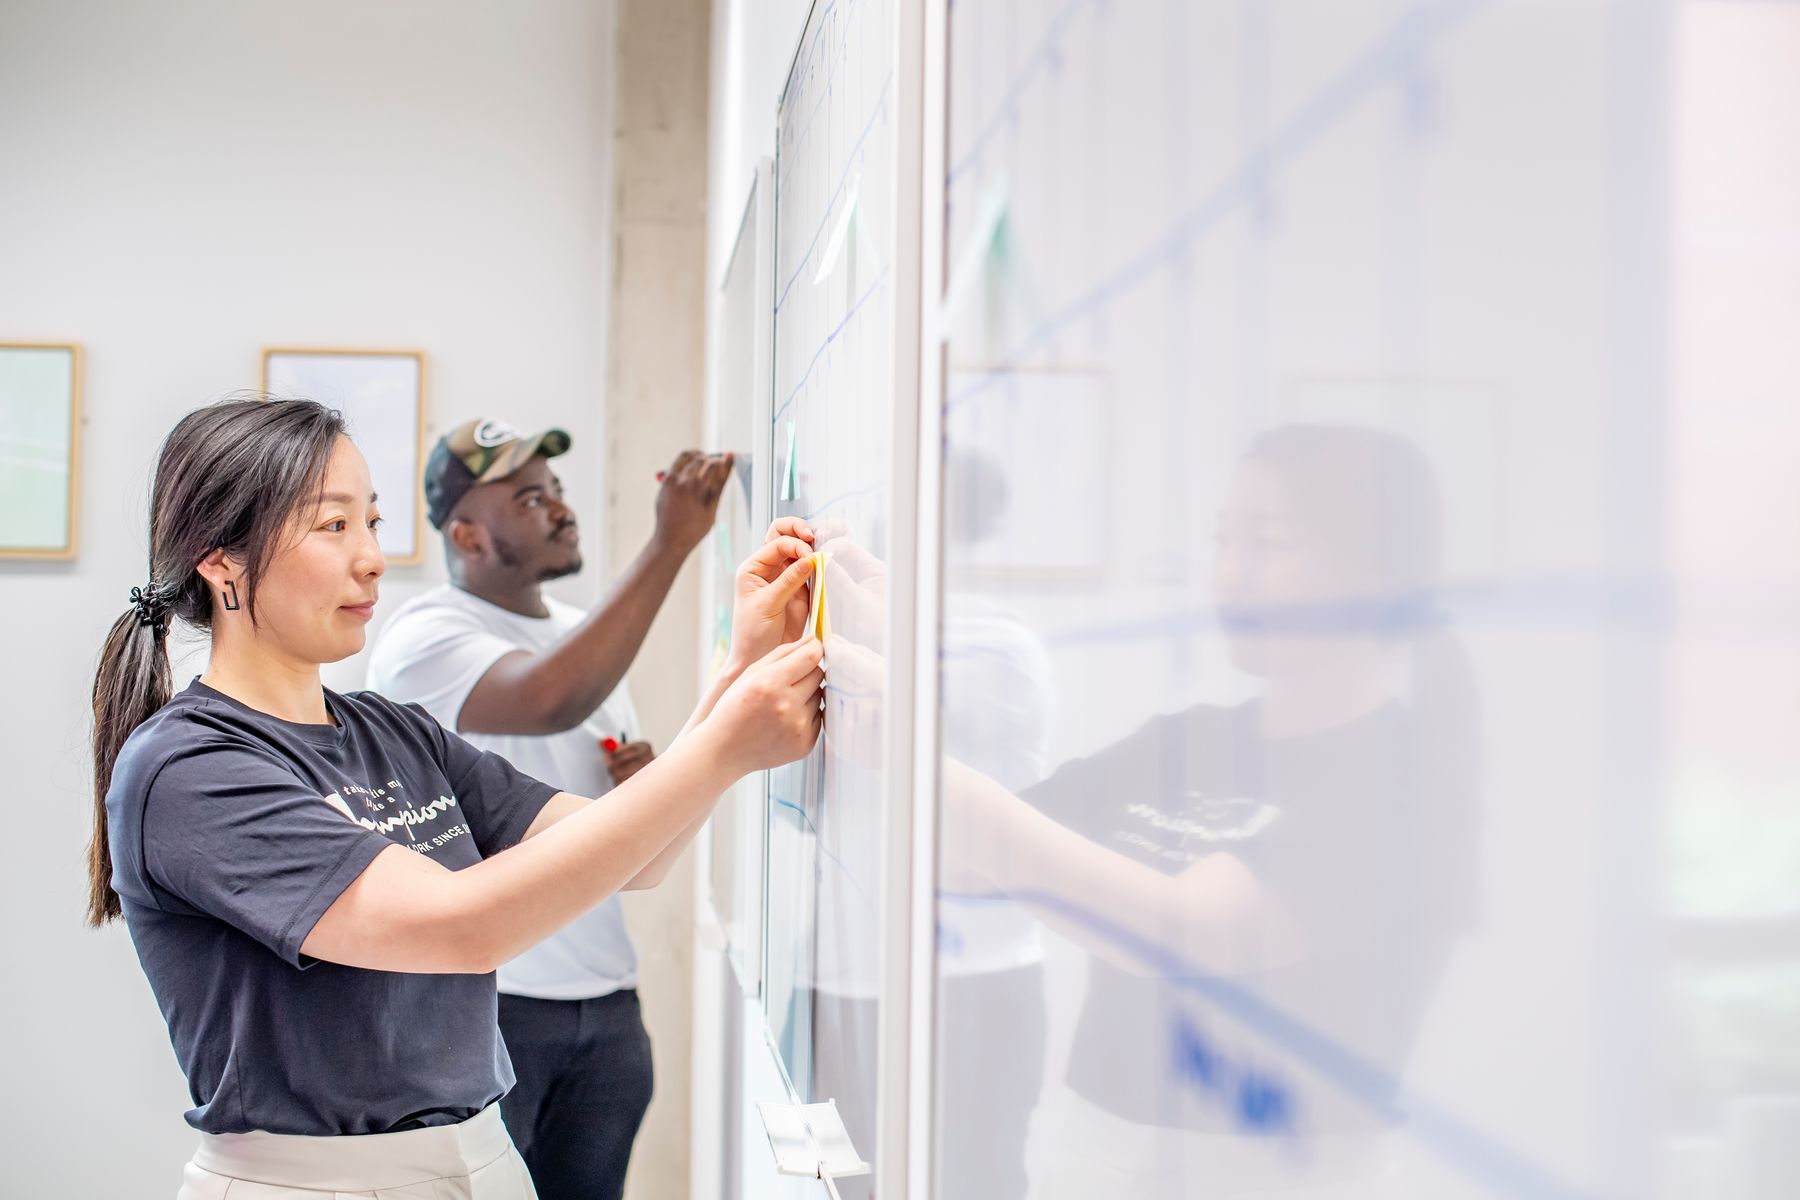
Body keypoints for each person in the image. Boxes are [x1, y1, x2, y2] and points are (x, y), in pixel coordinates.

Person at [88, 398, 822, 1200]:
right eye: (333, 527)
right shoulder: (188, 767)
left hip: (482, 1159)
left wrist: (739, 672)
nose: (371, 558)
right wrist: (724, 745)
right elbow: (464, 929)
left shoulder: (394, 733)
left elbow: (633, 858)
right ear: (220, 560)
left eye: (370, 523)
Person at [366, 418, 733, 1199]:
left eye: (557, 491)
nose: (561, 509)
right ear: (466, 534)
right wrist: (670, 544)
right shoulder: (428, 635)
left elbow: (599, 802)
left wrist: (640, 788)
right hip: (494, 1014)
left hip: (606, 1011)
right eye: (530, 498)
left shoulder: (579, 635)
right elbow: (552, 696)